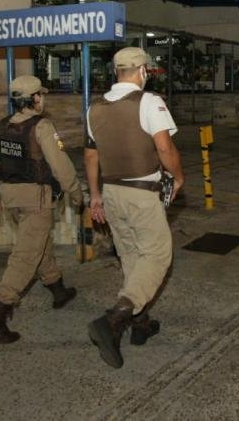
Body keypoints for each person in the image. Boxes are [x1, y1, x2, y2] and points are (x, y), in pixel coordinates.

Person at [84, 47, 185, 369]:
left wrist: (95, 196)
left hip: (111, 192)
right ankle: (114, 320)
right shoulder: (149, 101)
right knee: (157, 255)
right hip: (141, 193)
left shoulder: (94, 108)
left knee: (131, 258)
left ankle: (140, 325)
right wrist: (179, 177)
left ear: (117, 72)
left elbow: (90, 156)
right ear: (142, 72)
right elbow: (164, 147)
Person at [0, 75, 83, 344]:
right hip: (36, 200)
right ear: (35, 98)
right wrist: (76, 193)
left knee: (38, 244)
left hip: (12, 199)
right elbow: (61, 165)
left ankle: (58, 290)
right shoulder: (43, 126)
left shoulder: (0, 126)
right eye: (41, 95)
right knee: (25, 256)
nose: (43, 99)